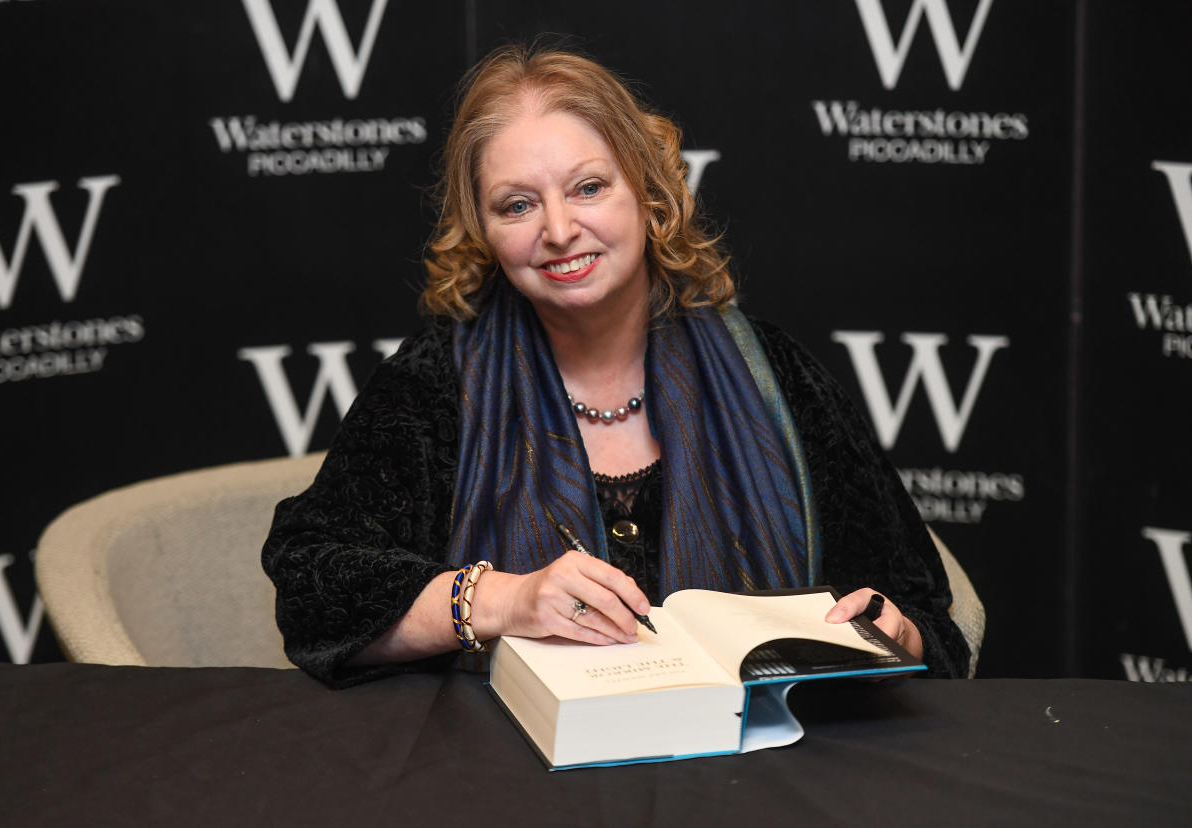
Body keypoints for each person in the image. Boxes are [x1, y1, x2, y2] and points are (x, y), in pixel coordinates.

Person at [261, 44, 970, 688]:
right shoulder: (434, 384)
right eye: (517, 205)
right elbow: (312, 587)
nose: (560, 230)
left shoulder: (773, 375)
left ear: (649, 191)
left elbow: (921, 611)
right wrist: (506, 599)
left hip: (755, 775)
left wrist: (897, 632)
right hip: (505, 776)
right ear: (483, 230)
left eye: (589, 187)